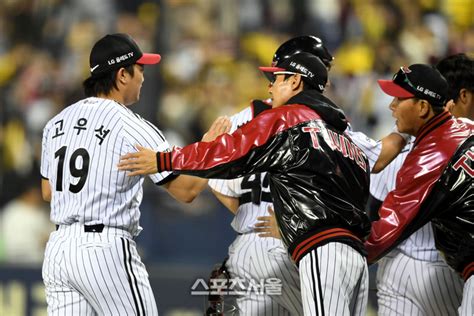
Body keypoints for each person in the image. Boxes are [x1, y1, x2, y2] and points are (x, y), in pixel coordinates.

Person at [119, 52, 372, 315]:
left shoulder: (288, 117)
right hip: (357, 256)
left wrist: (164, 160)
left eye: (277, 79)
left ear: (296, 82)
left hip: (320, 250)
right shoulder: (349, 143)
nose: (270, 86)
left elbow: (227, 153)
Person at [40, 33, 229, 316]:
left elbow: (48, 191)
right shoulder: (131, 126)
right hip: (104, 248)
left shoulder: (56, 123)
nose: (143, 76)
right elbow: (187, 191)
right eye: (140, 69)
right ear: (122, 75)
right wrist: (210, 148)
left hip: (58, 249)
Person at [207, 35, 334, 315]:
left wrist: (250, 217)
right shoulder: (326, 122)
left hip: (251, 245)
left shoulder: (251, 115)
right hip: (288, 246)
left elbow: (217, 183)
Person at [364, 63, 473, 316]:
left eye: (399, 99)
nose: (391, 107)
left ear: (423, 107)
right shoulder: (467, 127)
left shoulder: (429, 156)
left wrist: (329, 239)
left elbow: (381, 235)